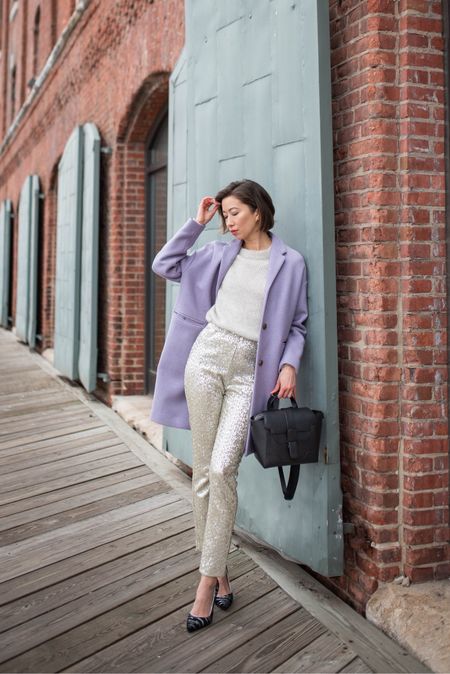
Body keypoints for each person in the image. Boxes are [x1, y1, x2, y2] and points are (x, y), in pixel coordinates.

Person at [150, 179, 308, 632]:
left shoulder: (291, 263)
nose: (229, 221)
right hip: (205, 358)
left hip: (249, 373)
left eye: (235, 212)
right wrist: (196, 225)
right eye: (224, 215)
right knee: (203, 472)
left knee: (222, 470)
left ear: (258, 211)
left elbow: (297, 325)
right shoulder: (218, 251)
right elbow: (165, 265)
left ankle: (206, 582)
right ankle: (217, 575)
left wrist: (289, 365)